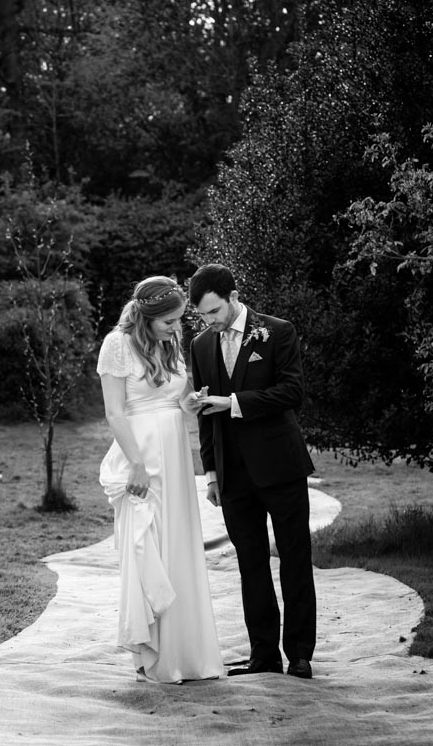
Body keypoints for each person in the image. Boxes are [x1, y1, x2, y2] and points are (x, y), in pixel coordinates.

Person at [182, 263, 317, 679]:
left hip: (281, 466)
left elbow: (292, 392)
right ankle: (264, 656)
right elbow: (206, 415)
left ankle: (298, 654)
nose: (210, 321)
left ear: (234, 296)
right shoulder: (201, 344)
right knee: (250, 564)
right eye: (203, 315)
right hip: (233, 475)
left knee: (294, 559)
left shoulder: (278, 331)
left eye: (215, 311)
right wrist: (211, 474)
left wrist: (234, 402)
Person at [97, 275, 223, 683]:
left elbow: (174, 400)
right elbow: (115, 412)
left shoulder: (170, 342)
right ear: (146, 317)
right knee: (148, 547)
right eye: (169, 321)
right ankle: (154, 655)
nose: (176, 327)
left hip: (174, 453)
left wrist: (187, 404)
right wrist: (135, 463)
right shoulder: (117, 345)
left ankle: (187, 655)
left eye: (178, 320)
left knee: (179, 547)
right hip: (142, 455)